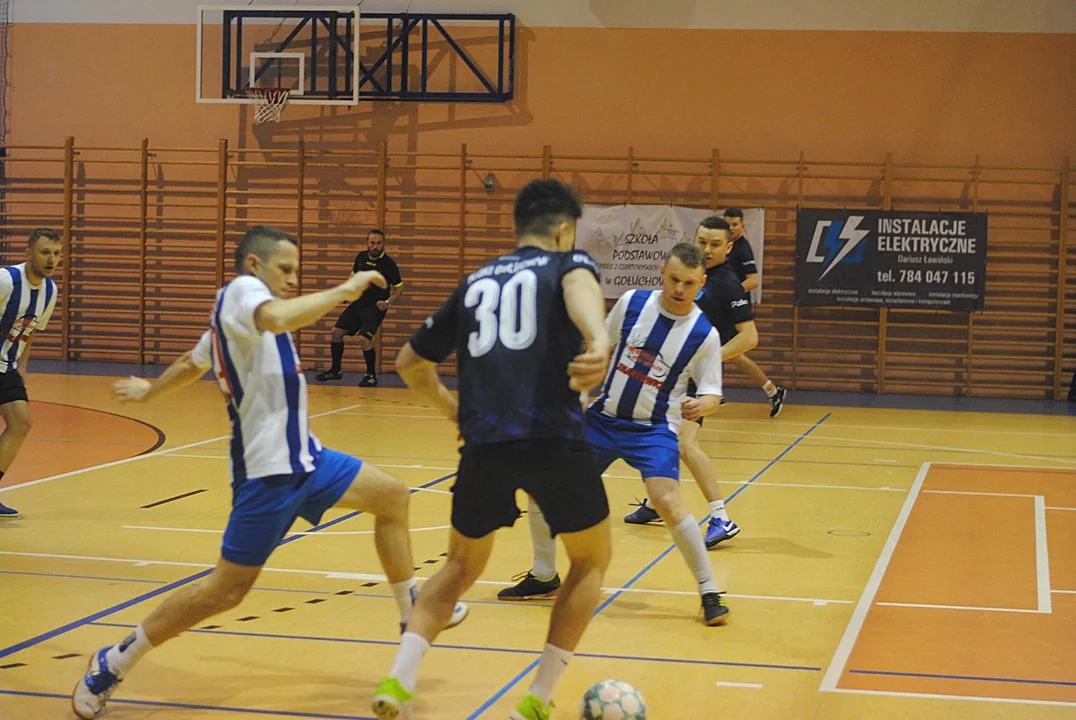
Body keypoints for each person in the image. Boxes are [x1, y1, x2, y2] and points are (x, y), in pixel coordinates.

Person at [71, 226, 466, 720]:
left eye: (296, 271)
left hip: (309, 459)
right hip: (268, 474)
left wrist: (151, 391)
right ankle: (113, 660)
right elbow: (277, 317)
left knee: (392, 496)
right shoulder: (243, 294)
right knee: (225, 591)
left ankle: (410, 609)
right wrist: (345, 290)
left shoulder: (230, 320)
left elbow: (194, 361)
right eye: (285, 269)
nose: (292, 279)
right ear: (254, 266)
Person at [371, 179, 613, 720]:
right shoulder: (569, 262)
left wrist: (452, 409)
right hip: (554, 437)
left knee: (458, 566)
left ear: (516, 226)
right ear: (564, 228)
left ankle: (398, 679)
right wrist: (598, 340)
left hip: (484, 445)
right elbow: (579, 289)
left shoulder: (476, 280)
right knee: (592, 561)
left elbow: (410, 363)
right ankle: (538, 699)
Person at [499, 243, 730, 628]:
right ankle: (543, 574)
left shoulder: (704, 334)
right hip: (602, 420)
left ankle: (709, 590)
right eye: (674, 279)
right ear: (662, 272)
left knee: (668, 501)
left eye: (689, 283)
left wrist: (702, 406)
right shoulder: (632, 303)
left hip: (653, 429)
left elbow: (713, 391)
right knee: (541, 486)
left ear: (701, 284)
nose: (679, 289)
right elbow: (599, 347)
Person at [622, 216, 758, 548]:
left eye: (715, 245)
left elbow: (749, 338)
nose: (707, 249)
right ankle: (657, 503)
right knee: (661, 436)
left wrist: (706, 361)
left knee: (685, 445)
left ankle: (721, 517)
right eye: (702, 242)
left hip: (695, 381)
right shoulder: (691, 277)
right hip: (672, 377)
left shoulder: (727, 285)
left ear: (728, 248)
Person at [0, 228, 62, 519]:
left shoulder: (50, 290)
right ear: (28, 254)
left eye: (56, 253)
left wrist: (22, 369)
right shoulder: (6, 280)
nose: (51, 259)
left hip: (5, 367)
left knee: (21, 422)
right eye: (45, 252)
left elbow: (30, 331)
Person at [316, 228, 403, 387]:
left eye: (378, 243)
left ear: (383, 244)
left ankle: (371, 375)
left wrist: (388, 302)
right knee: (336, 333)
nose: (375, 246)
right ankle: (335, 371)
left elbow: (399, 287)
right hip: (358, 304)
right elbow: (353, 276)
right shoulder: (361, 257)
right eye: (372, 243)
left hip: (374, 308)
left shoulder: (388, 264)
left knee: (364, 339)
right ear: (367, 243)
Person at [722, 208, 786, 417]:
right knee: (716, 348)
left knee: (733, 355)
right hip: (722, 308)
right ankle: (713, 391)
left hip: (735, 309)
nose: (731, 228)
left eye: (735, 224)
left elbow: (754, 280)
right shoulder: (726, 247)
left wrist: (732, 292)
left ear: (742, 226)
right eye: (728, 224)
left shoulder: (742, 249)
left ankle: (772, 390)